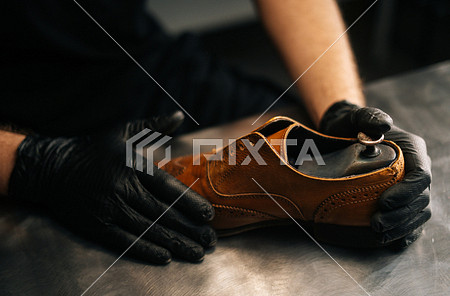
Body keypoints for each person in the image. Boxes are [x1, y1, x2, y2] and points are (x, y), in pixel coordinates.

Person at [0, 0, 431, 264]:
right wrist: (39, 163)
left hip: (142, 71)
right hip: (20, 122)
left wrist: (340, 107)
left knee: (281, 119)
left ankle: (342, 197)